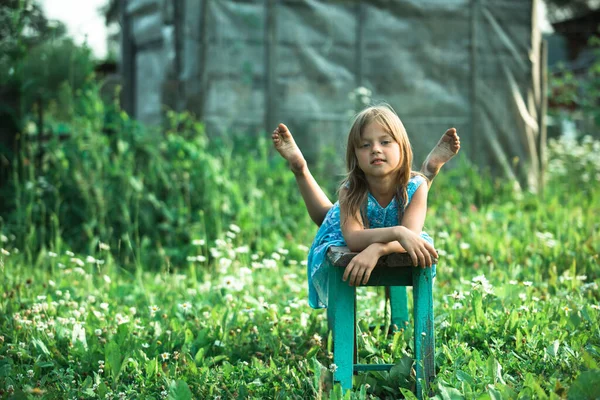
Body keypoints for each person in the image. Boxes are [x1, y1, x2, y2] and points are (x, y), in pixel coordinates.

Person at [272, 105, 460, 309]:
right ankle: (300, 169)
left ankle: (429, 170)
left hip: (397, 214)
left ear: (403, 147)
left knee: (414, 187)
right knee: (327, 218)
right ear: (355, 156)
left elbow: (411, 237)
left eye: (385, 142)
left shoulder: (417, 187)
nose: (376, 149)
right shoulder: (350, 190)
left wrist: (378, 249)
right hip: (351, 225)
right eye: (364, 145)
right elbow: (353, 239)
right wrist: (398, 232)